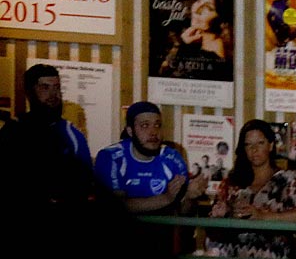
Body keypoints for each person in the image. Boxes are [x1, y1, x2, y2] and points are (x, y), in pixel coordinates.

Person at [203, 119, 296, 259]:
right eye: (248, 145)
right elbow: (212, 231)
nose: (254, 150)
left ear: (271, 145)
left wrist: (263, 216)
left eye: (260, 143)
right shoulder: (231, 183)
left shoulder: (288, 180)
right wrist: (220, 216)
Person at [0, 62, 94, 205]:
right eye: (45, 88)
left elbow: (85, 183)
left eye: (57, 87)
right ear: (29, 92)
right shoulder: (13, 130)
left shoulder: (72, 135)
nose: (53, 94)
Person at [94, 101, 188, 213]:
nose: (153, 132)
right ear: (130, 131)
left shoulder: (172, 157)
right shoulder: (111, 157)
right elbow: (116, 206)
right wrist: (165, 198)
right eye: (145, 125)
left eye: (157, 125)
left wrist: (190, 197)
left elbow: (183, 212)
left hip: (161, 229)